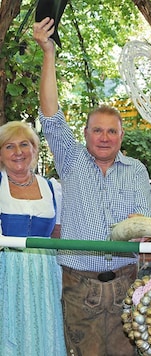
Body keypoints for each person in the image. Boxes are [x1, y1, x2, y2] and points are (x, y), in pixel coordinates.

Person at [34, 18, 151, 355]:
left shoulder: (136, 170)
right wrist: (48, 53)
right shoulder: (71, 160)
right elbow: (50, 116)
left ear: (121, 136)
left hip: (126, 283)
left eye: (112, 131)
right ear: (85, 134)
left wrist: (141, 227)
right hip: (78, 283)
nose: (104, 137)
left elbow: (143, 221)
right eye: (97, 131)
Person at [0, 121, 66, 355]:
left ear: (35, 149)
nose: (18, 152)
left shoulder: (50, 188)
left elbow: (58, 234)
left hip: (44, 273)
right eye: (9, 146)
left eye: (24, 145)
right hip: (7, 272)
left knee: (44, 332)